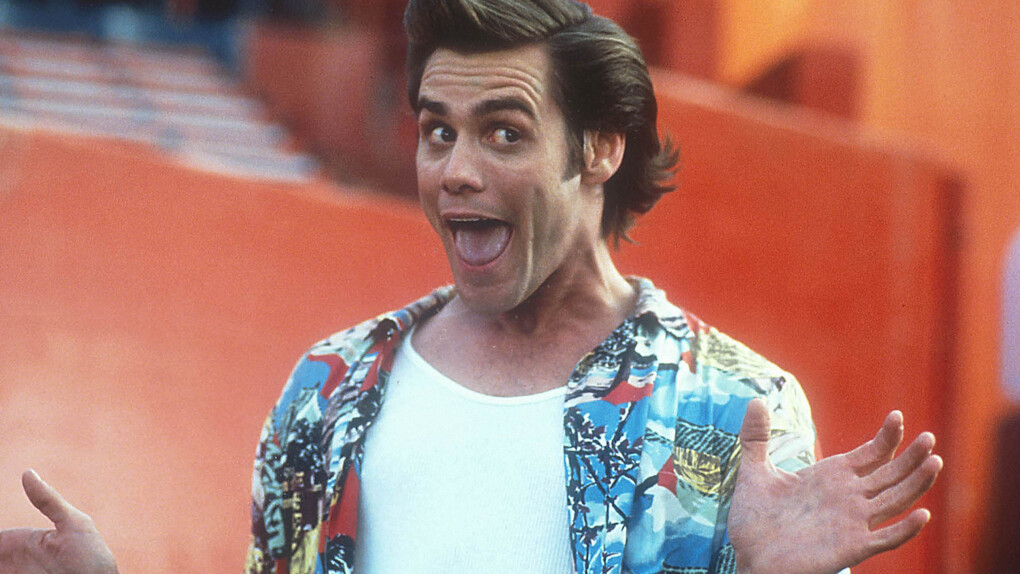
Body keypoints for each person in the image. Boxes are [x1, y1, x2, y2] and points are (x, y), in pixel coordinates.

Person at [0, 0, 942, 573]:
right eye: (437, 130)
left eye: (503, 132)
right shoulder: (327, 390)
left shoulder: (735, 408)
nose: (454, 169)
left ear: (600, 148)